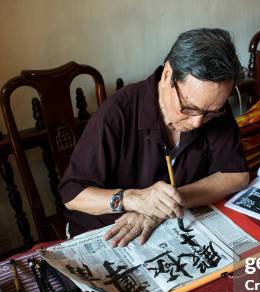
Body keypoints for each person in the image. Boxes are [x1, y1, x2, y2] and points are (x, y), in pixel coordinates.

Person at [59, 28, 249, 247]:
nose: (197, 122)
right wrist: (134, 199)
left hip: (170, 228)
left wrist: (164, 207)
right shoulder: (117, 113)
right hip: (108, 233)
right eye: (189, 108)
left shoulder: (213, 108)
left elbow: (236, 175)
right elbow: (73, 195)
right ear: (168, 74)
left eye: (210, 112)